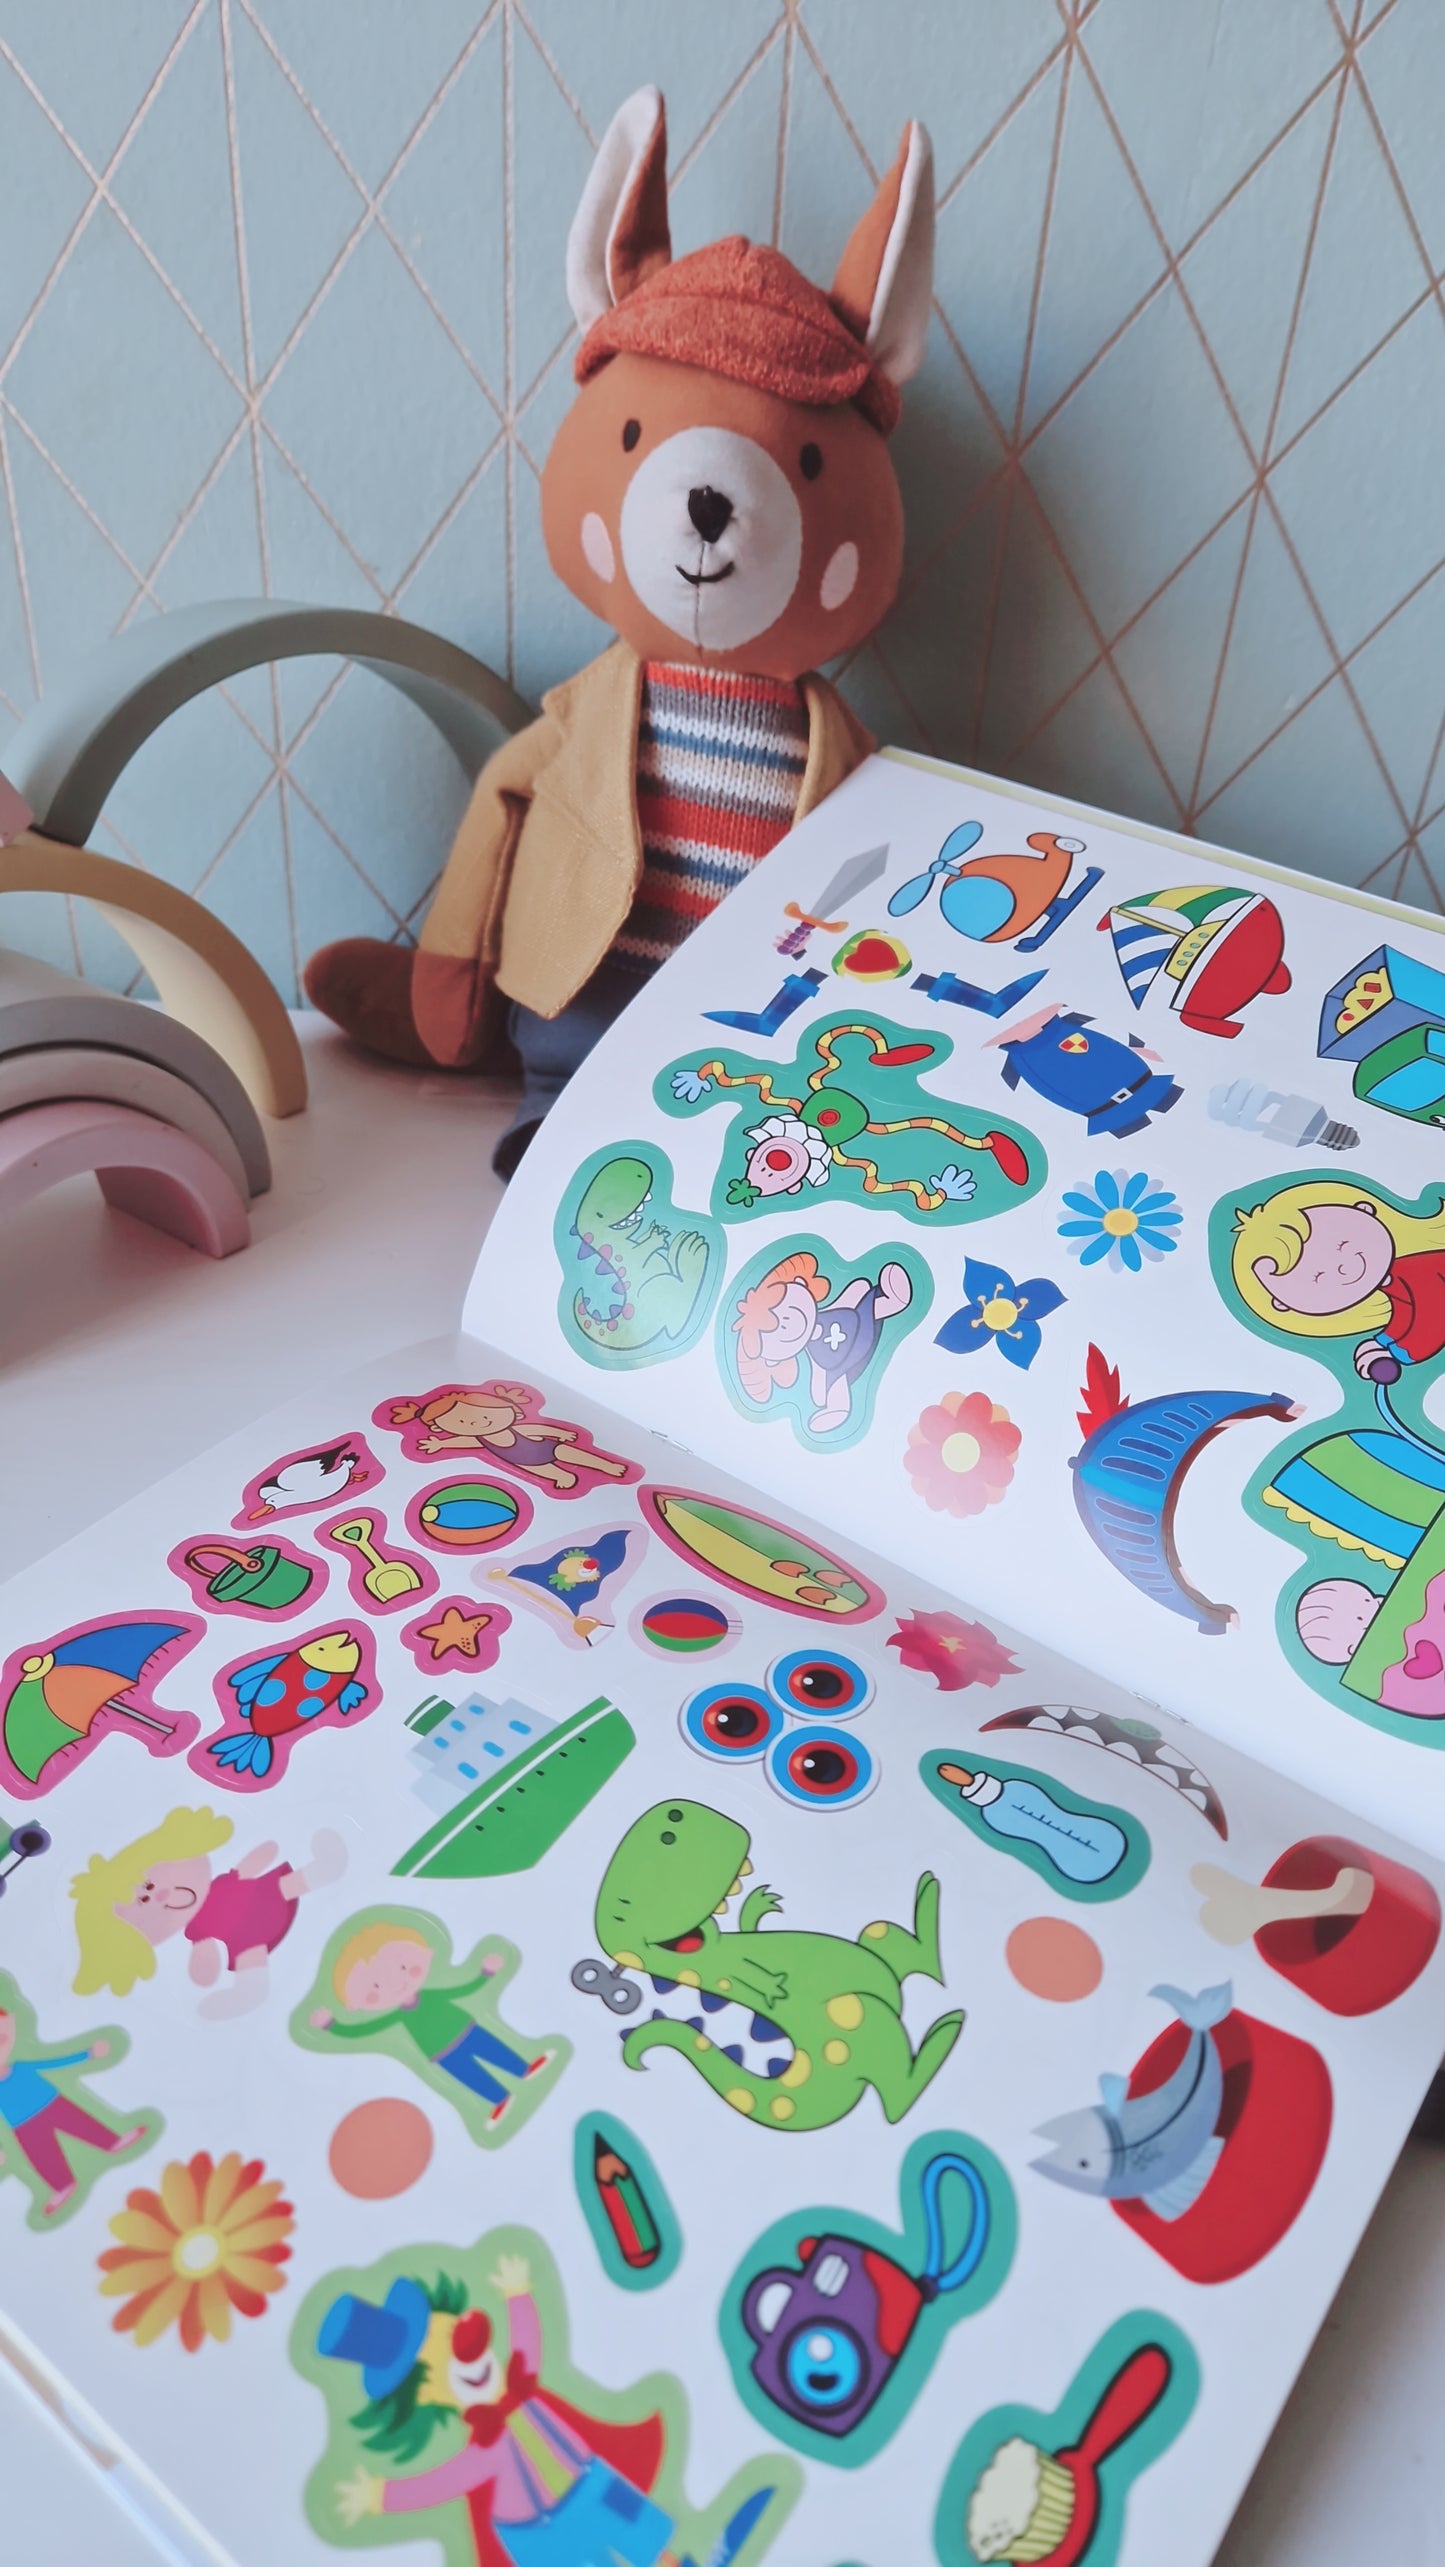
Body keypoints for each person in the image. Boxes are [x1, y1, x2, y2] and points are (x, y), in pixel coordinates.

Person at [310, 1923, 549, 2127]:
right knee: (469, 2075)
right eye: (376, 1988)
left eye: (403, 1967)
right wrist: (332, 2025)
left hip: (466, 2030)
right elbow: (365, 2029)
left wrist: (486, 1972)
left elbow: (462, 1990)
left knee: (493, 2049)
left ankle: (524, 2069)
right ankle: (498, 2099)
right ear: (357, 2003)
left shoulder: (431, 1995)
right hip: (441, 2052)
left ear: (425, 1954)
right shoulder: (398, 2016)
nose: (395, 1984)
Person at [1231, 1179, 1445, 1377]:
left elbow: (1434, 1318)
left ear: (1366, 1211)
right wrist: (1385, 1340)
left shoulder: (1422, 1271)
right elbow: (1407, 1310)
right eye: (1318, 1276)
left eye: (1342, 1245)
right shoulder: (1400, 1276)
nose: (1344, 1268)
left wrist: (1401, 1353)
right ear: (1281, 1303)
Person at [0, 2007, 148, 2218]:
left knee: (82, 2124)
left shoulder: (21, 2067)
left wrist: (90, 2054)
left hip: (52, 2104)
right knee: (41, 2155)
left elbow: (54, 2063)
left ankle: (113, 2142)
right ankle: (62, 2185)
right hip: (23, 2125)